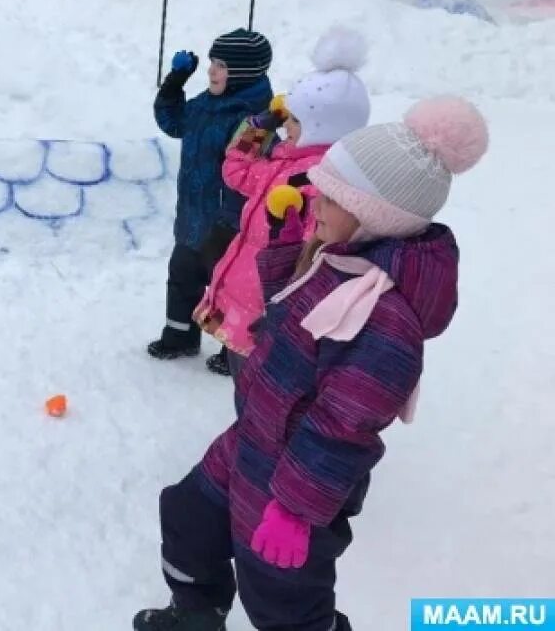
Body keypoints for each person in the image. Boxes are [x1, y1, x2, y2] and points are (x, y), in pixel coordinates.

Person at [133, 96, 489, 631]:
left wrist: (295, 510)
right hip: (251, 443)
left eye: (330, 195)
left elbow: (345, 426)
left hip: (292, 485)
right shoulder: (338, 261)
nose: (314, 199)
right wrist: (283, 243)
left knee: (283, 602)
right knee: (188, 517)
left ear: (374, 215)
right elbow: (288, 322)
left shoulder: (384, 317)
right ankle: (195, 614)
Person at [195, 27, 371, 377]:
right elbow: (236, 172)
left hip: (269, 312)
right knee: (246, 387)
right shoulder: (283, 163)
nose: (285, 125)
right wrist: (261, 124)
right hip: (245, 300)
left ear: (319, 125)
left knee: (261, 394)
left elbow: (312, 259)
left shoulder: (317, 182)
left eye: (293, 119)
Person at [148, 30, 274, 361]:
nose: (211, 71)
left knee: (228, 289)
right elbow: (172, 121)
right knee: (182, 278)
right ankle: (179, 336)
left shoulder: (260, 120)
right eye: (211, 63)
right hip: (193, 215)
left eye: (220, 66)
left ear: (243, 73)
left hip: (229, 223)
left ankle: (230, 349)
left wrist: (233, 217)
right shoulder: (206, 105)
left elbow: (250, 173)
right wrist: (176, 81)